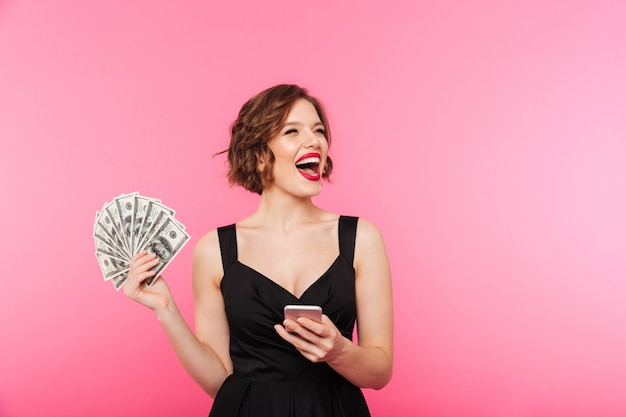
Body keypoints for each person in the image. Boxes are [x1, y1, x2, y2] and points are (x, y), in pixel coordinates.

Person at [125, 84, 393, 417]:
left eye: (319, 131)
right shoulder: (215, 250)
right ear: (260, 153)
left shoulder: (361, 239)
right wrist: (166, 309)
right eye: (292, 131)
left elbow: (380, 371)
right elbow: (219, 380)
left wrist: (338, 350)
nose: (315, 141)